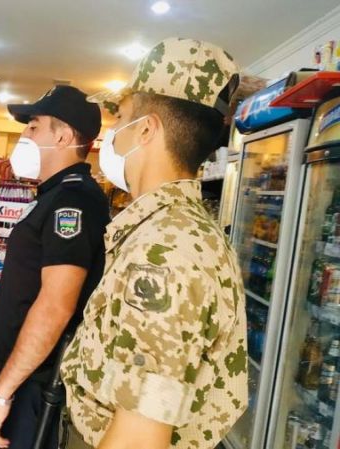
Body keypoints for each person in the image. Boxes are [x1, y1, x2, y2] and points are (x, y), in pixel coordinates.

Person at [59, 37, 248, 449]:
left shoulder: (166, 251)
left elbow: (139, 436)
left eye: (120, 118)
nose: (110, 134)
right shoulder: (166, 228)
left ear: (146, 129)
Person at [0, 86, 110, 449]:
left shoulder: (73, 200)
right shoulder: (54, 195)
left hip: (35, 383)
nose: (24, 134)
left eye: (34, 126)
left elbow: (56, 305)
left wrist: (3, 394)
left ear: (64, 136)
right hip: (24, 375)